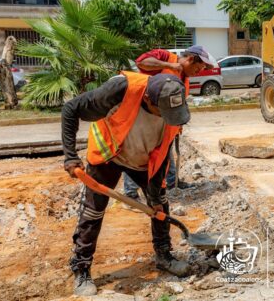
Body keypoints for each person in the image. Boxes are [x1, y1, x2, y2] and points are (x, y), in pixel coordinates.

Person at [61, 61, 208, 295]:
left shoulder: (172, 106)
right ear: (150, 101)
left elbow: (164, 148)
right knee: (93, 211)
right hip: (109, 154)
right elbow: (70, 109)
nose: (169, 118)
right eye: (165, 113)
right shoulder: (120, 90)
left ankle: (163, 255)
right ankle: (81, 269)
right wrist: (70, 157)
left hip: (143, 160)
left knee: (160, 206)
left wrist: (155, 191)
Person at [123, 46, 214, 200]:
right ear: (190, 59)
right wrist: (169, 66)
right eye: (197, 69)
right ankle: (131, 192)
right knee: (138, 152)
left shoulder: (185, 79)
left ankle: (172, 181)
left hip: (166, 121)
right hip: (144, 116)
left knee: (166, 151)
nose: (197, 73)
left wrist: (178, 124)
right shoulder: (165, 57)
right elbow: (141, 62)